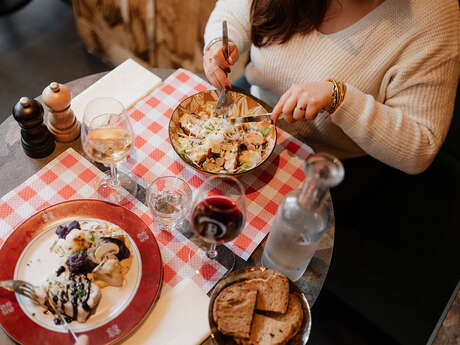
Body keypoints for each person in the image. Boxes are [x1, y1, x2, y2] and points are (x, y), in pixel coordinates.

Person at [203, 0, 460, 175]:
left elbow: (420, 148)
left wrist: (340, 99)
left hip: (334, 165)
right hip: (255, 111)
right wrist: (219, 42)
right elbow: (233, 10)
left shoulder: (432, 16)